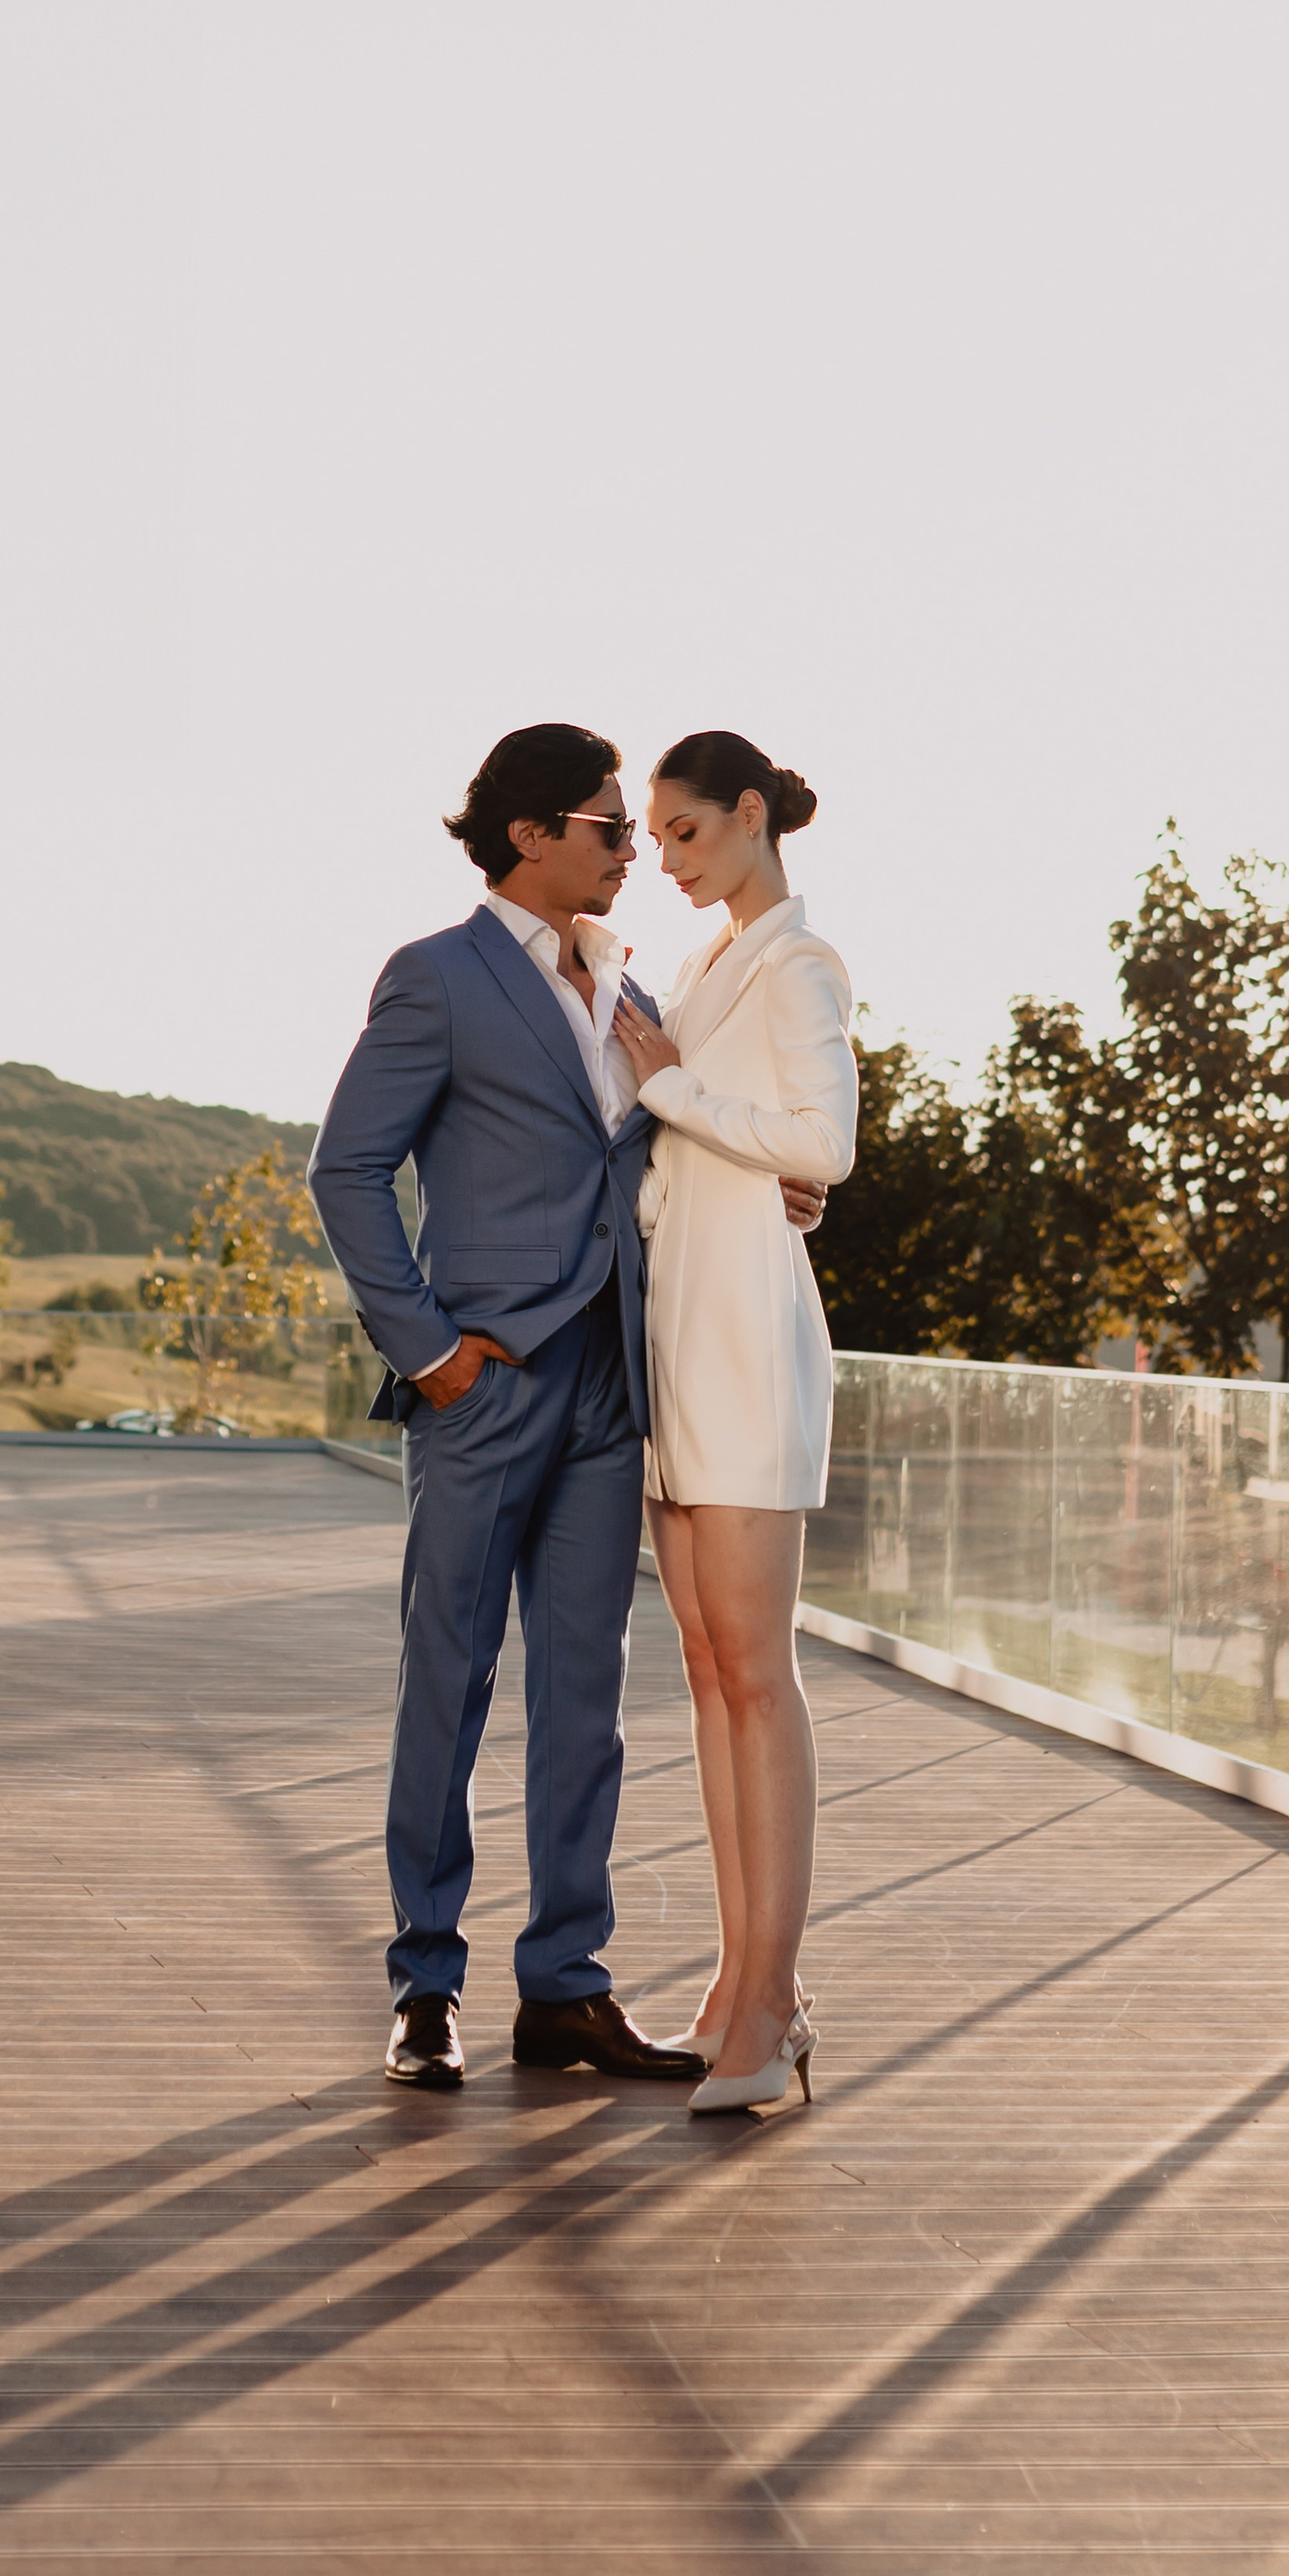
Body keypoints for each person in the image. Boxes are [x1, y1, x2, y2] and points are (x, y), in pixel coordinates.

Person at [307, 724, 822, 2094]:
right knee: (453, 1682)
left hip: (617, 1384)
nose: (630, 855)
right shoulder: (437, 978)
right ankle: (426, 1984)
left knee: (586, 1695)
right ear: (531, 837)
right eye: (608, 830)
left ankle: (566, 1988)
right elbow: (345, 1172)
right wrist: (430, 1352)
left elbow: (676, 1138)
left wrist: (782, 1182)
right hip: (484, 1386)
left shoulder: (631, 989)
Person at [610, 731, 857, 2115]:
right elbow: (713, 1144)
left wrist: (669, 1088)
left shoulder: (798, 963)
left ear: (753, 817)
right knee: (708, 1672)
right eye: (653, 834)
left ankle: (774, 2002)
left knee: (757, 1673)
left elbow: (822, 1144)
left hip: (750, 1347)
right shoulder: (705, 967)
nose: (666, 856)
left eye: (687, 831)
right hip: (678, 1341)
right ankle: (743, 1976)